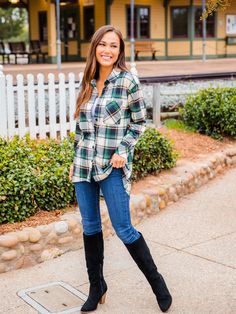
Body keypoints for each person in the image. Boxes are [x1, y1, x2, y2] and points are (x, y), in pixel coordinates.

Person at [70, 25, 172, 313]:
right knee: (90, 228)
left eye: (113, 46)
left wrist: (123, 151)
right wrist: (73, 163)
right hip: (83, 167)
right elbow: (81, 128)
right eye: (102, 44)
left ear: (120, 51)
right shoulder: (88, 80)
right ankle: (96, 287)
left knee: (124, 228)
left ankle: (158, 284)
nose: (107, 50)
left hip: (112, 166)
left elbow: (139, 123)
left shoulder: (127, 82)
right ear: (95, 47)